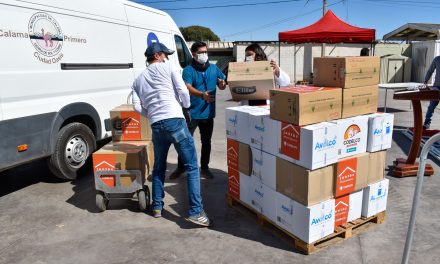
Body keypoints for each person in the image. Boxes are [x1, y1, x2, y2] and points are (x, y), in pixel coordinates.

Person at [131, 42, 211, 227]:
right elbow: (183, 90)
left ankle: (157, 207)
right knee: (191, 166)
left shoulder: (137, 80)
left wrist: (151, 114)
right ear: (158, 55)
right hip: (174, 120)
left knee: (158, 168)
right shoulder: (168, 67)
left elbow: (136, 106)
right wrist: (185, 106)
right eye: (165, 54)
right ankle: (195, 212)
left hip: (156, 125)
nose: (166, 57)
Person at [169, 41, 226, 180]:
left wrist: (222, 83)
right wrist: (202, 95)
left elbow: (222, 85)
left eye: (205, 52)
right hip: (191, 113)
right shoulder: (189, 70)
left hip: (208, 114)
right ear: (194, 54)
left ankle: (205, 168)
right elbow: (187, 86)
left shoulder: (214, 68)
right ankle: (181, 167)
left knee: (207, 142)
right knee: (185, 141)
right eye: (201, 52)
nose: (204, 55)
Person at [423, 55, 440, 130]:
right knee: (431, 106)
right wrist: (426, 80)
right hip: (437, 87)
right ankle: (427, 123)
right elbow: (430, 70)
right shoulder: (437, 59)